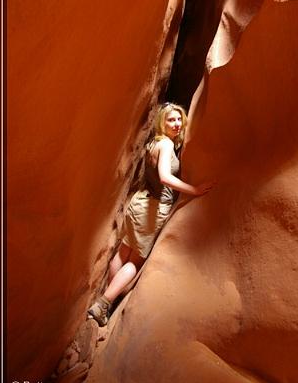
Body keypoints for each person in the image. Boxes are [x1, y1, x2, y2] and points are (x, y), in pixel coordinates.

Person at [87, 102, 213, 326]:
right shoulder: (165, 146)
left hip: (139, 203)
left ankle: (107, 297)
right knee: (134, 262)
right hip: (153, 209)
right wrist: (193, 190)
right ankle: (103, 305)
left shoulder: (155, 143)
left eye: (178, 119)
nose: (175, 124)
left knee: (123, 251)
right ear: (161, 123)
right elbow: (164, 177)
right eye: (170, 120)